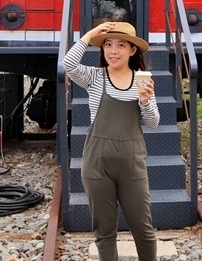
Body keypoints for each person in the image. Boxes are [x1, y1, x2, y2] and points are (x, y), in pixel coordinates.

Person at [63, 21, 159, 261]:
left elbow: (153, 123)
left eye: (120, 45)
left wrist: (146, 101)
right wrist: (89, 36)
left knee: (144, 230)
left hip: (132, 166)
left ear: (132, 50)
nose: (113, 51)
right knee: (104, 233)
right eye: (107, 45)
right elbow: (68, 64)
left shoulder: (142, 80)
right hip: (97, 165)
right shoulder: (95, 77)